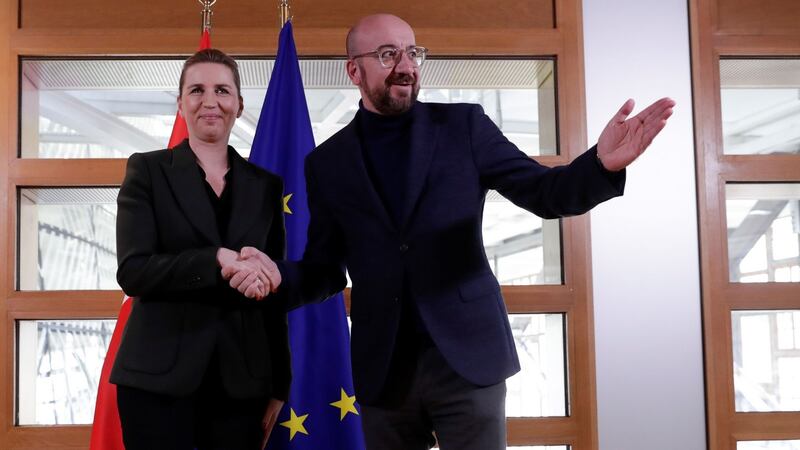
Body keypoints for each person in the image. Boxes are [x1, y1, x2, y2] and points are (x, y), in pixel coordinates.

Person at [249, 13, 676, 450]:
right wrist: (280, 276)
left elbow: (546, 193)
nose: (406, 65)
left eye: (413, 52)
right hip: (383, 370)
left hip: (469, 358)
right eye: (387, 54)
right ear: (354, 70)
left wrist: (599, 165)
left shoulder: (464, 127)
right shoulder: (327, 163)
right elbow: (325, 269)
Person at [110, 49, 288, 450]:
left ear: (239, 105)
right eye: (197, 90)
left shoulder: (266, 186)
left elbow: (273, 292)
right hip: (155, 381)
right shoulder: (147, 170)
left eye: (223, 90)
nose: (210, 101)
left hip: (243, 382)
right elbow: (134, 271)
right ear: (180, 103)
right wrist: (215, 260)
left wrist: (280, 383)